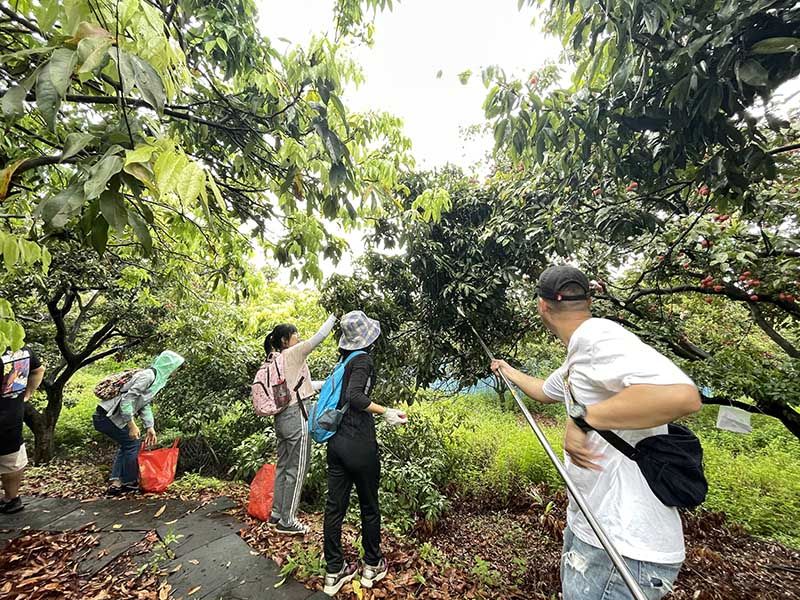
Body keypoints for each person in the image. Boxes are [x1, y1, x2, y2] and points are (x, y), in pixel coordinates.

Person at [490, 265, 702, 600]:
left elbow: (682, 396)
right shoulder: (579, 358)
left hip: (623, 546)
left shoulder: (597, 337)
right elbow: (545, 391)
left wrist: (583, 418)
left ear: (541, 306)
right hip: (596, 529)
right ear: (589, 299)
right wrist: (507, 370)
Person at [322, 310, 407, 596]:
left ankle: (334, 571)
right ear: (368, 338)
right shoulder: (363, 360)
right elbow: (356, 398)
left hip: (336, 444)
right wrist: (387, 412)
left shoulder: (344, 361)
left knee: (335, 508)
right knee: (369, 506)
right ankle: (372, 564)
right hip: (359, 444)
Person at [264, 314, 338, 535]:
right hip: (296, 416)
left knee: (284, 466)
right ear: (286, 340)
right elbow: (319, 337)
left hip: (281, 418)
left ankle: (276, 514)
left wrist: (326, 383)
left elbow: (302, 386)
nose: (299, 338)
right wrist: (334, 316)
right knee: (298, 469)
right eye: (295, 335)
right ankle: (288, 521)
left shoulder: (274, 359)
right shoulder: (293, 353)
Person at [93, 351, 184, 495]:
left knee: (128, 444)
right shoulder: (148, 376)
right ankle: (129, 482)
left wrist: (150, 426)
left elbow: (143, 403)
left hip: (112, 417)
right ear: (169, 365)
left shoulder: (157, 379)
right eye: (176, 367)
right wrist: (131, 424)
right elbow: (127, 400)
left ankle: (116, 484)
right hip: (106, 416)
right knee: (132, 443)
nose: (176, 371)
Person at [0, 345, 45, 514]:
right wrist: (27, 394)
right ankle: (12, 499)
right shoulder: (21, 349)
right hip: (11, 416)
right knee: (12, 461)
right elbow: (38, 370)